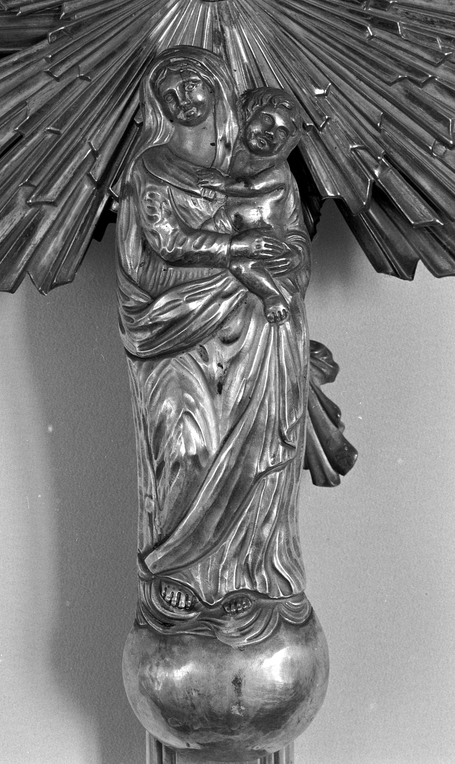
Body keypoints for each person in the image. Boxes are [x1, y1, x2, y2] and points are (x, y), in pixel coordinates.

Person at [116, 47, 312, 645]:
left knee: (259, 456)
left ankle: (251, 573)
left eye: (194, 84)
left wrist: (280, 266)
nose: (184, 98)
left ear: (220, 90)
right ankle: (178, 574)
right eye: (170, 90)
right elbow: (165, 242)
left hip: (255, 335)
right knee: (185, 448)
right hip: (171, 330)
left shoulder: (259, 171)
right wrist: (239, 253)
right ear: (156, 103)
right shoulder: (151, 168)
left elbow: (293, 248)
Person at [197, 87, 308, 324]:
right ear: (248, 114)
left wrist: (222, 184)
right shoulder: (215, 151)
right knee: (201, 246)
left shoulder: (278, 169)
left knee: (240, 265)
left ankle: (272, 296)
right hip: (227, 228)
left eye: (281, 132)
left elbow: (252, 187)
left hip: (265, 240)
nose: (270, 133)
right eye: (267, 119)